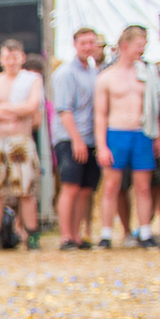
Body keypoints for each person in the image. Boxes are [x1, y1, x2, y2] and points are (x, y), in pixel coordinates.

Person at [94, 24, 160, 249]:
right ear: (125, 46)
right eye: (138, 45)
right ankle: (106, 234)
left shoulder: (147, 73)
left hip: (142, 133)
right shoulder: (106, 77)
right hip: (116, 133)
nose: (142, 50)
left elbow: (154, 108)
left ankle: (145, 231)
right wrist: (102, 146)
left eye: (144, 45)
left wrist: (157, 136)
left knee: (143, 187)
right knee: (111, 186)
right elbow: (100, 114)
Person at [0, 39, 43, 250]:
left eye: (15, 56)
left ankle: (31, 234)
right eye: (7, 57)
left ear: (22, 58)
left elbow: (32, 106)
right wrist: (15, 111)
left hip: (20, 140)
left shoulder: (32, 80)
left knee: (25, 189)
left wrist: (4, 107)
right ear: (0, 59)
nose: (11, 61)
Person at [52, 28, 101, 250]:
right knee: (70, 187)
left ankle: (77, 235)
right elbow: (64, 110)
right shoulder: (65, 73)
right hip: (70, 138)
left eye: (91, 42)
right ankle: (66, 236)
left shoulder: (94, 73)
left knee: (85, 190)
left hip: (91, 139)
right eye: (83, 43)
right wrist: (76, 140)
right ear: (75, 45)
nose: (88, 47)